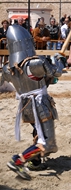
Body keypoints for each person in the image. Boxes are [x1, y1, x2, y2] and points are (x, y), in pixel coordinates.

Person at [0, 24, 66, 180]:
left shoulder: (7, 69)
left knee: (39, 132)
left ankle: (35, 162)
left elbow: (44, 79)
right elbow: (57, 72)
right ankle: (18, 160)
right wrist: (59, 60)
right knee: (49, 144)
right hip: (40, 104)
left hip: (26, 106)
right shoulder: (35, 63)